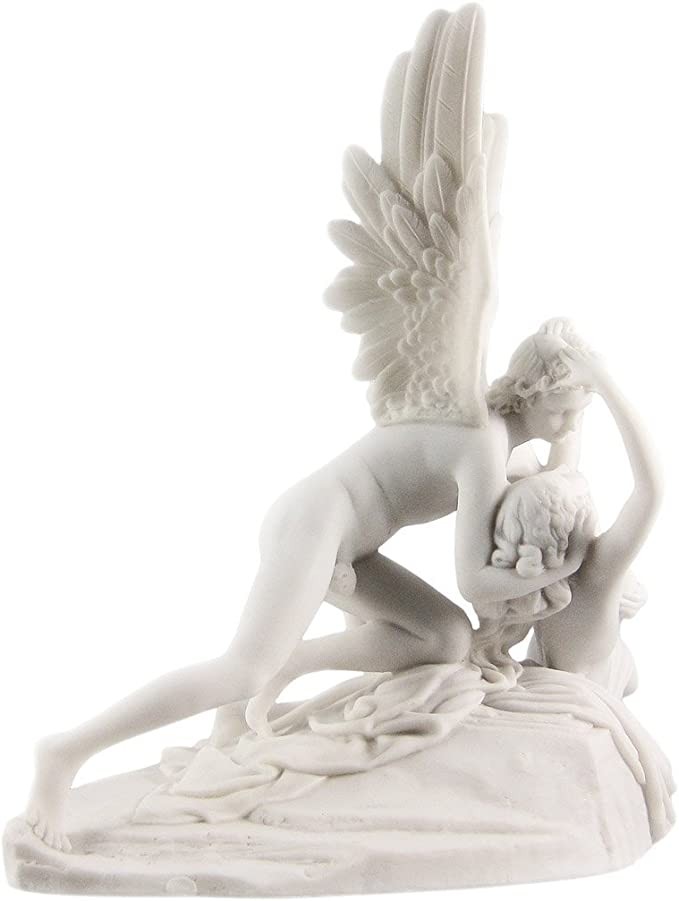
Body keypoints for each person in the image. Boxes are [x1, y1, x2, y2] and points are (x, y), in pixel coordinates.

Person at [26, 318, 594, 851]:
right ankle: (67, 752)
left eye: (578, 414)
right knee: (243, 668)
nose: (569, 426)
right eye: (562, 412)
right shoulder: (482, 443)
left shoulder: (503, 437)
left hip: (353, 544)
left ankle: (278, 675)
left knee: (445, 637)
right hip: (318, 521)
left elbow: (564, 468)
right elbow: (476, 583)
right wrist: (566, 565)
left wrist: (597, 384)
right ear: (528, 393)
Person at [473, 347, 662, 698]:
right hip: (589, 696)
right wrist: (604, 383)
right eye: (580, 489)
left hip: (569, 679)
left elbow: (560, 466)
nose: (572, 473)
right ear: (577, 523)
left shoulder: (540, 590)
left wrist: (564, 358)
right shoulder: (599, 572)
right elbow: (651, 490)